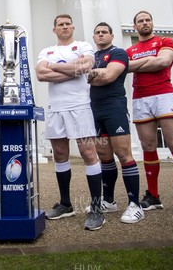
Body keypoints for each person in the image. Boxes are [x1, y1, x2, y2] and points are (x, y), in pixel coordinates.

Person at [126, 10, 173, 221]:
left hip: (164, 94)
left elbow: (163, 62)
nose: (145, 23)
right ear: (135, 27)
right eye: (140, 21)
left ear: (152, 23)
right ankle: (153, 196)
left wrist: (135, 65)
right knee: (148, 147)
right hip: (140, 97)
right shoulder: (129, 49)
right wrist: (148, 60)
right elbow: (124, 68)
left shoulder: (165, 40)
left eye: (148, 19)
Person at [35, 14, 105, 231]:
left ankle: (96, 208)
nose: (64, 27)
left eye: (67, 24)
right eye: (60, 25)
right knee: (60, 154)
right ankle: (66, 204)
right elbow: (40, 74)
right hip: (56, 107)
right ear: (54, 29)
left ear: (72, 27)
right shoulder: (46, 51)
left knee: (87, 153)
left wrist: (56, 67)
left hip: (79, 106)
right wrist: (71, 69)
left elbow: (85, 66)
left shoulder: (82, 45)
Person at [86, 22, 144, 224]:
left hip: (114, 108)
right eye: (97, 32)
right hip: (95, 109)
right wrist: (94, 75)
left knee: (123, 153)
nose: (101, 35)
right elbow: (95, 78)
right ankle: (109, 201)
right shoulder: (92, 57)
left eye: (104, 32)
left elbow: (110, 75)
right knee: (104, 156)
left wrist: (90, 74)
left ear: (111, 36)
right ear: (94, 37)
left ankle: (135, 205)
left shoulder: (119, 53)